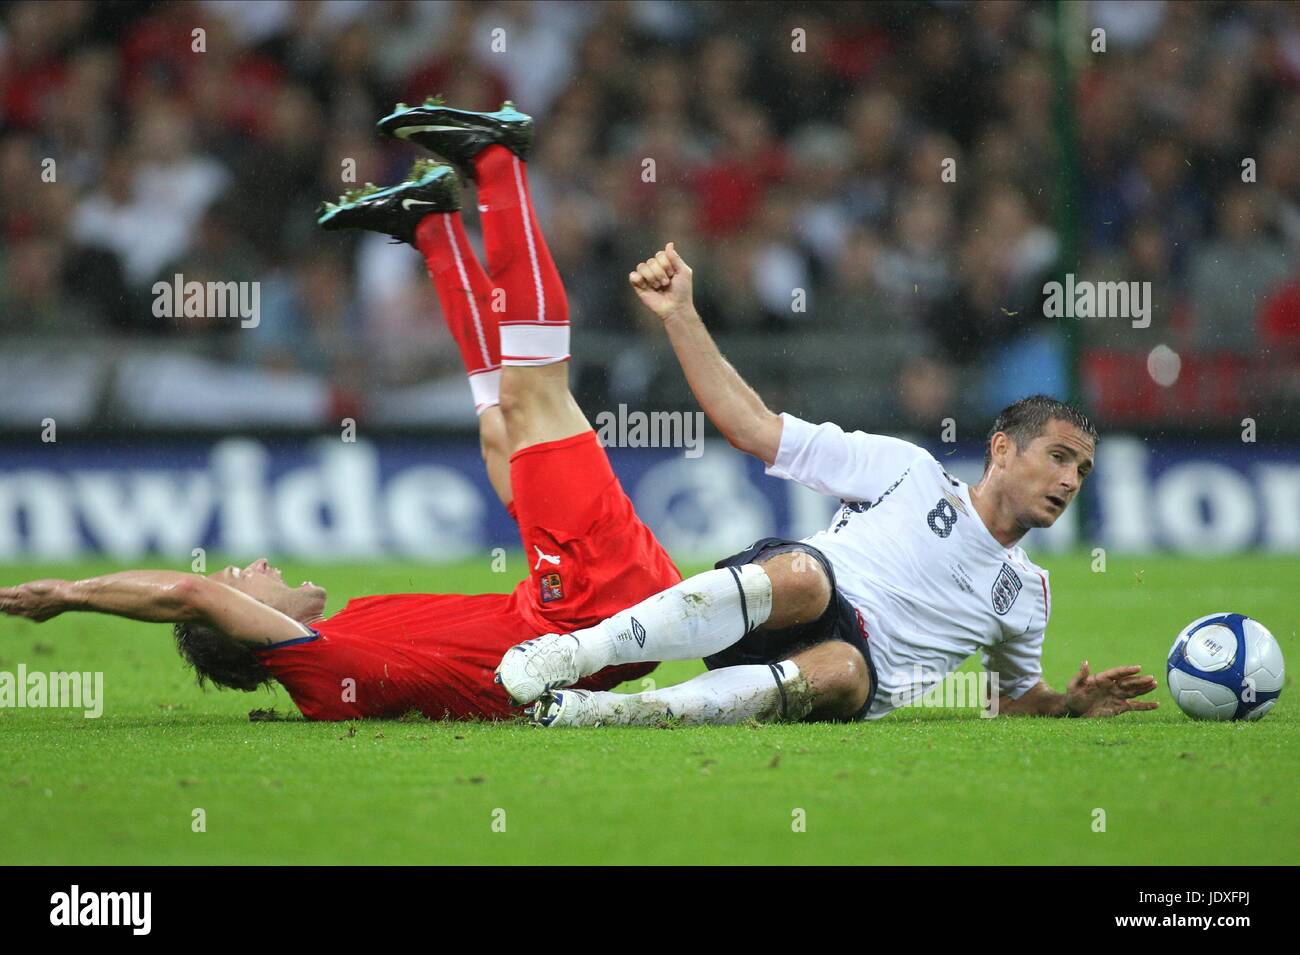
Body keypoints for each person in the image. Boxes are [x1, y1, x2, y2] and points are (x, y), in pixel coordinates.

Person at [0, 102, 680, 722]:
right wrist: (70, 591)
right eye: (241, 578)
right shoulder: (317, 665)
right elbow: (191, 594)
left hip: (564, 607)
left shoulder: (353, 630)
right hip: (601, 607)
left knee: (499, 428)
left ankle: (434, 225)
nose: (255, 562)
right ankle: (497, 163)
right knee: (534, 395)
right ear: (246, 623)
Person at [497, 244, 1160, 726]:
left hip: (835, 671)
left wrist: (1068, 703)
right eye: (1060, 457)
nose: (1071, 479)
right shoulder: (908, 469)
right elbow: (754, 427)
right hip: (779, 599)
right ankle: (569, 653)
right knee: (808, 580)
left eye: (1084, 469)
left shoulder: (1028, 594)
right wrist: (680, 316)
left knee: (845, 671)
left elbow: (1009, 695)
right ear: (1003, 449)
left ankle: (605, 713)